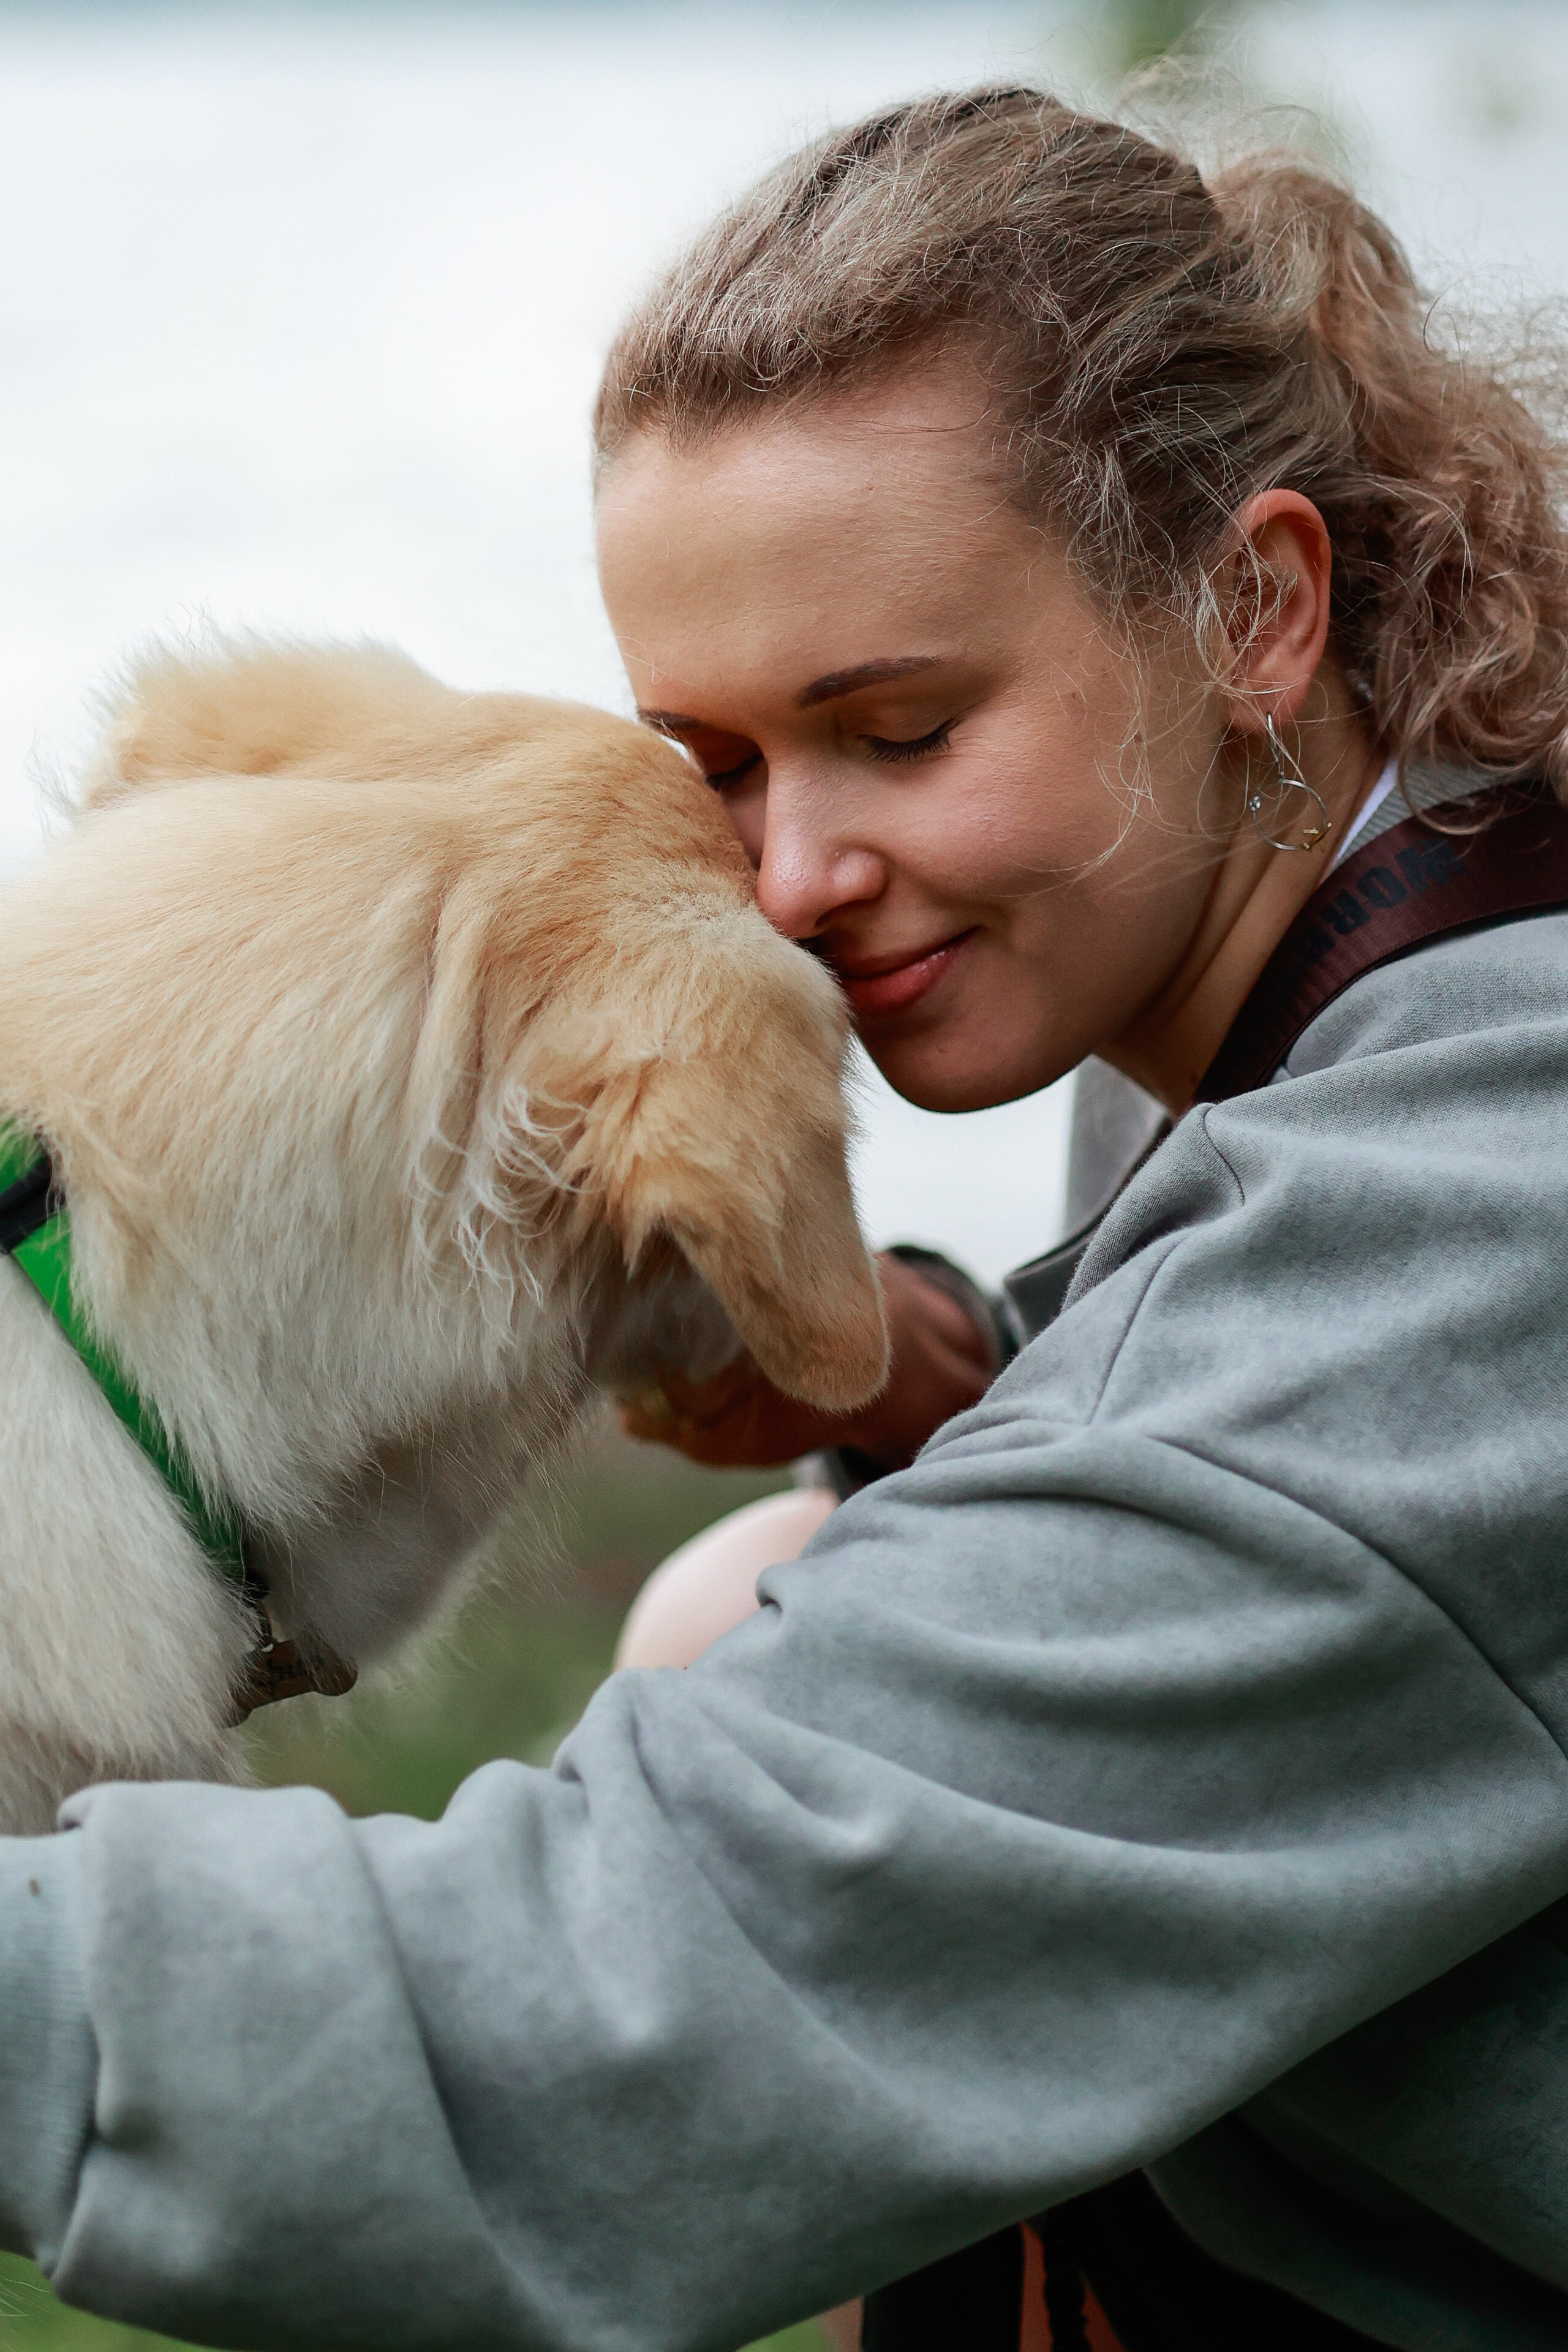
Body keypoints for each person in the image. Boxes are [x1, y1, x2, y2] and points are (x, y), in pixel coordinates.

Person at [4, 81, 1568, 2352]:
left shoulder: (1477, 1217)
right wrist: (950, 1373)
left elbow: (616, 2011)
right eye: (719, 763)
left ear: (1257, 605)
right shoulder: (1369, 962)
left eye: (903, 729)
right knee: (758, 1583)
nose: (795, 880)